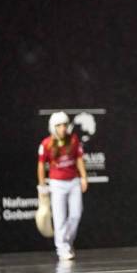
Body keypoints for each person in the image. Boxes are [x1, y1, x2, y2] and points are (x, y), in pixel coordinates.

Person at [38, 111, 88, 260]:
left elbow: (79, 159)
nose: (63, 128)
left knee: (76, 214)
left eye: (65, 124)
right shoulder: (46, 144)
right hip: (57, 184)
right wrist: (42, 185)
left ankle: (66, 242)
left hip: (73, 182)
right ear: (52, 127)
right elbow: (41, 165)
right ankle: (61, 248)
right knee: (59, 218)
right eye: (59, 125)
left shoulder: (73, 140)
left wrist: (84, 177)